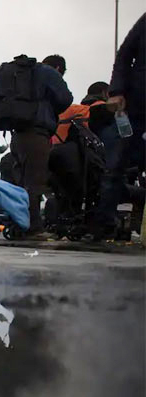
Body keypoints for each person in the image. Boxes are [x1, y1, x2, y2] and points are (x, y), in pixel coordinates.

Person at [7, 55, 72, 239]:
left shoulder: (21, 75)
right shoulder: (49, 73)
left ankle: (19, 224)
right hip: (37, 132)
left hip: (17, 133)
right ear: (59, 68)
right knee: (35, 182)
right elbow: (65, 98)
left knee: (20, 181)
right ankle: (34, 228)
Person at [95, 14, 145, 240]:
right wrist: (116, 91)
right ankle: (104, 225)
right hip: (137, 105)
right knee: (116, 165)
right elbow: (124, 54)